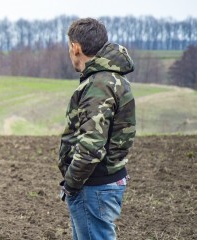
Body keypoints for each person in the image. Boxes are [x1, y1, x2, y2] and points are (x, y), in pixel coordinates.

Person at [58, 18, 136, 240]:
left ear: (76, 47)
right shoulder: (112, 79)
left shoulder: (99, 85)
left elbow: (92, 146)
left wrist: (71, 185)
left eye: (69, 47)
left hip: (94, 185)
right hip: (104, 181)